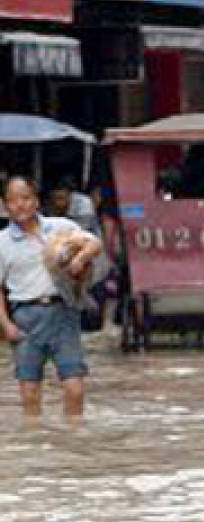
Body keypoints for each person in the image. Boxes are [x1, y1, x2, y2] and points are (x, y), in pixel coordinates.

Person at [0, 176, 102, 420]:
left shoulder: (60, 228)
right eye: (12, 201)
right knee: (29, 392)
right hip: (25, 317)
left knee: (74, 387)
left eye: (25, 198)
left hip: (62, 312)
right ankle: (36, 442)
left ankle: (73, 441)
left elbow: (95, 243)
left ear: (36, 201)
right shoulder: (2, 243)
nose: (20, 205)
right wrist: (6, 326)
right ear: (4, 207)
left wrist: (80, 259)